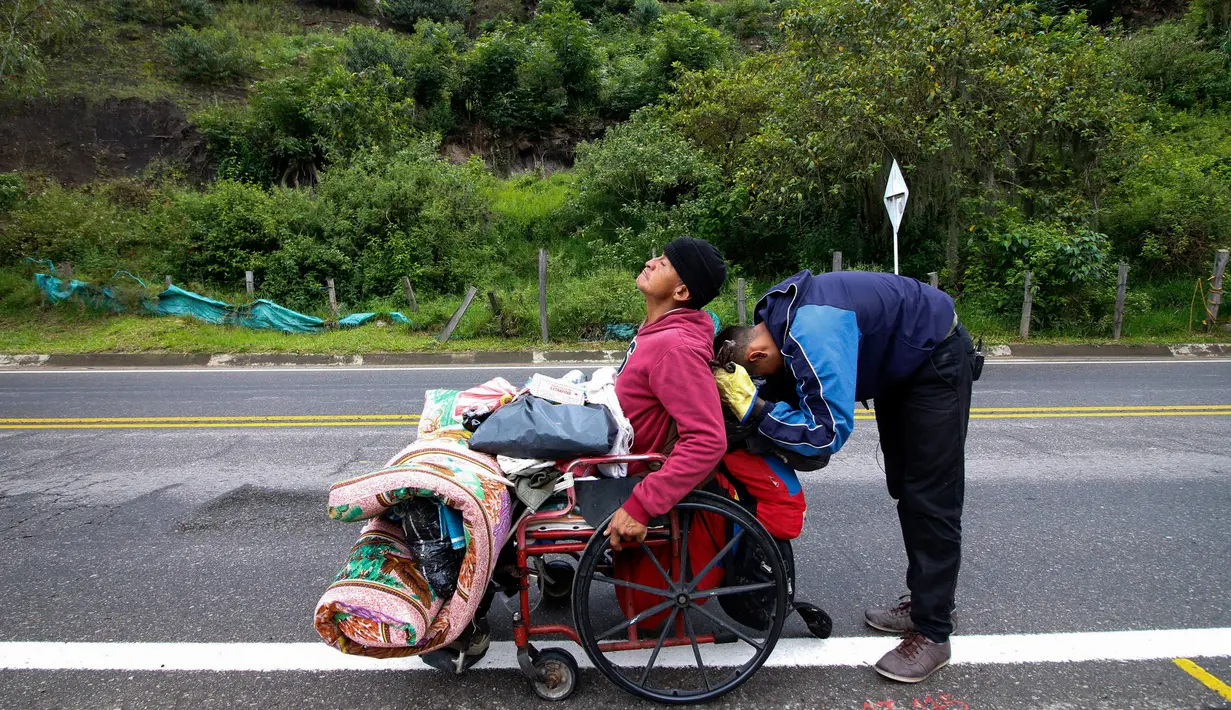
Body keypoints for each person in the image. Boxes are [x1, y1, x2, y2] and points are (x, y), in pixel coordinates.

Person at [711, 269, 981, 683]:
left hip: (934, 359)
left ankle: (933, 632)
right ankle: (931, 601)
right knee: (906, 486)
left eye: (757, 376)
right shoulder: (776, 316)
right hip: (901, 361)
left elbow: (826, 435)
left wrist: (757, 410)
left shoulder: (810, 333)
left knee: (930, 497)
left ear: (755, 357)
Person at [605, 236, 729, 552]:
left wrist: (641, 505)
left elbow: (707, 440)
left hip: (621, 470)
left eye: (664, 263)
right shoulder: (656, 331)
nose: (650, 262)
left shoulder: (675, 347)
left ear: (682, 292)